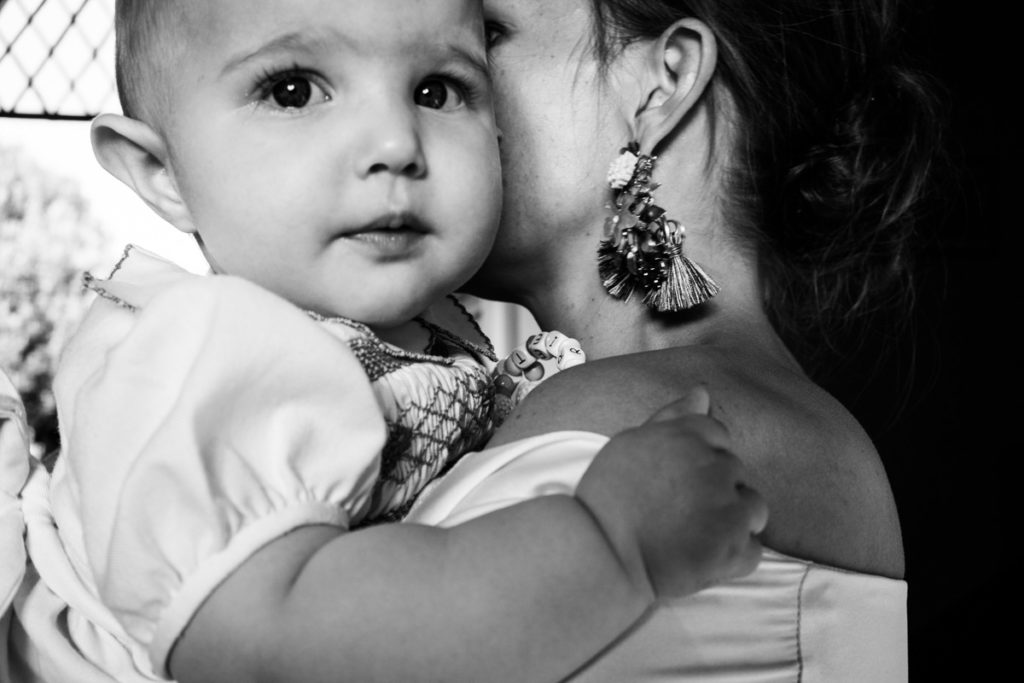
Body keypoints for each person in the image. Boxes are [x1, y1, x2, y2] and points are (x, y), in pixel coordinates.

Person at [1, 0, 768, 682]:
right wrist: (611, 540)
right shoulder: (202, 351)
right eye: (293, 89)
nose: (396, 141)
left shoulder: (434, 346)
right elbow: (274, 645)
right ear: (159, 171)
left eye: (438, 90)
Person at [397, 0, 943, 680]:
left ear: (664, 83)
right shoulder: (770, 428)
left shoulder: (629, 424)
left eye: (486, 33)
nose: (413, 85)